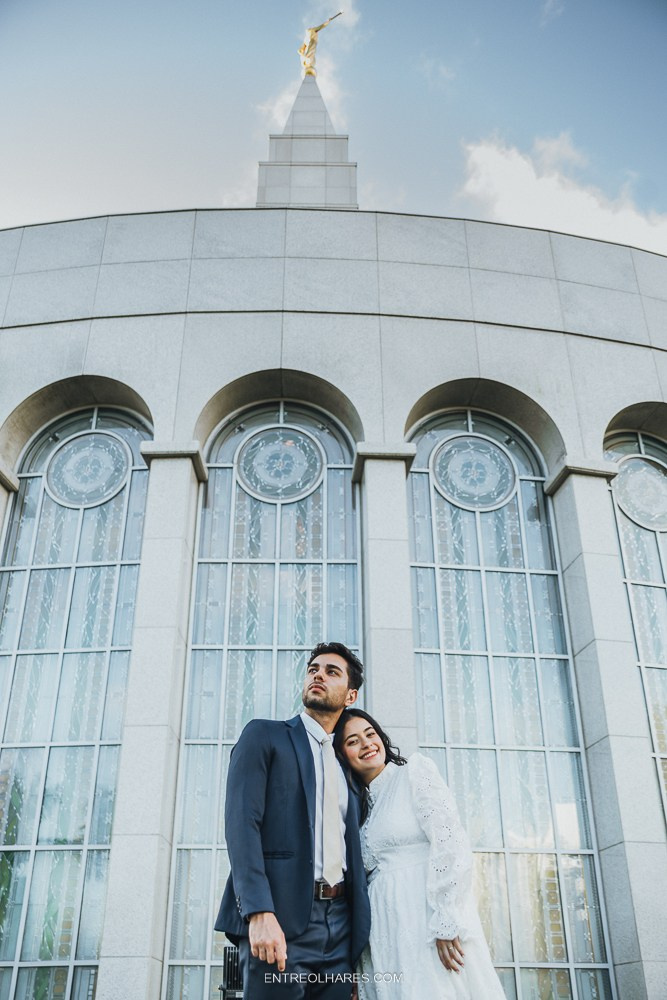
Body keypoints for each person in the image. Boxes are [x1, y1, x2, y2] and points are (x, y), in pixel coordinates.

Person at [215, 642, 371, 1000]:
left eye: (332, 672)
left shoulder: (347, 765)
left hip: (341, 927)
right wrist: (258, 911)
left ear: (350, 695)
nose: (318, 675)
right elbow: (242, 826)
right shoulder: (264, 735)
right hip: (279, 918)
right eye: (313, 669)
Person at [334, 708, 506, 1000]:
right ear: (342, 755)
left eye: (370, 734)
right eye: (353, 741)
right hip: (385, 932)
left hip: (426, 920)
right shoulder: (359, 810)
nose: (366, 744)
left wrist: (446, 920)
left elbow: (450, 842)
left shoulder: (414, 772)